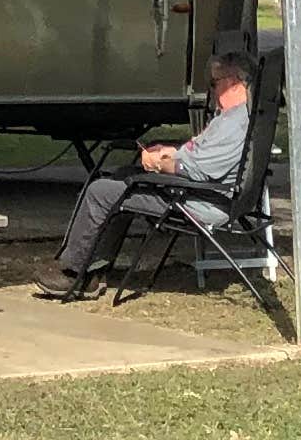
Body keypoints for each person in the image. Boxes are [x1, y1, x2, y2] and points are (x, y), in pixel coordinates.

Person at [34, 50, 258, 300]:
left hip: (202, 201)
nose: (212, 90)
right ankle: (94, 267)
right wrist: (170, 152)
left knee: (100, 191)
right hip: (202, 192)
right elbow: (200, 156)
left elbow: (198, 170)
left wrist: (160, 164)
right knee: (122, 177)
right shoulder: (233, 117)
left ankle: (74, 272)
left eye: (214, 83)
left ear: (233, 81)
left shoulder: (235, 123)